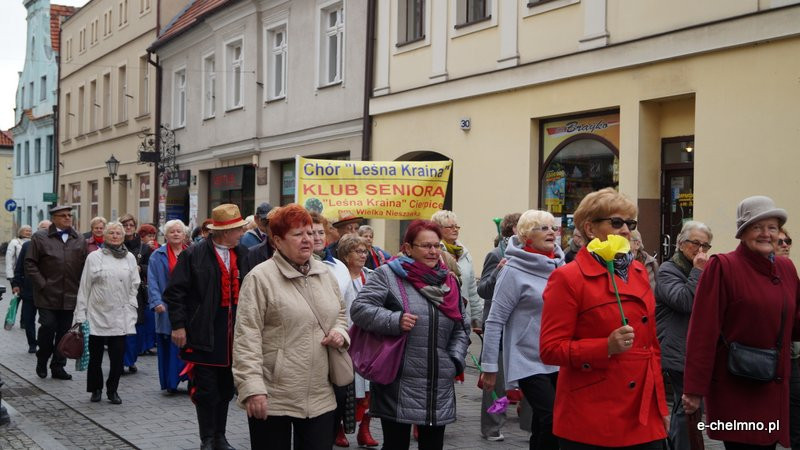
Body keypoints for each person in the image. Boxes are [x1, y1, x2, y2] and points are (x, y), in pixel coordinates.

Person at [539, 188, 668, 449]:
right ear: (590, 228)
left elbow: (651, 348)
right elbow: (550, 349)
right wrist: (604, 347)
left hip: (642, 414)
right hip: (594, 415)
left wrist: (661, 406)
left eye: (630, 223)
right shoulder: (569, 278)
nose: (625, 230)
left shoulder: (639, 271)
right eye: (616, 222)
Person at [683, 196, 800, 449]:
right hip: (737, 388)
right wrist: (693, 389)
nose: (766, 234)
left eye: (772, 227)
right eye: (757, 227)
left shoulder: (787, 269)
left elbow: (795, 324)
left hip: (775, 390)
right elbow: (703, 331)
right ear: (743, 232)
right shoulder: (723, 267)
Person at [233, 204, 350, 450]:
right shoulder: (260, 278)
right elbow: (246, 338)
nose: (308, 239)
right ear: (277, 240)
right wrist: (252, 389)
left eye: (310, 232)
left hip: (320, 393)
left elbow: (339, 314)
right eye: (298, 234)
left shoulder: (325, 274)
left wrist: (339, 333)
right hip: (274, 395)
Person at [350, 220, 471, 450]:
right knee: (395, 445)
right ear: (408, 248)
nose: (433, 251)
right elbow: (360, 309)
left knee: (433, 445)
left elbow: (461, 327)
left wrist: (454, 360)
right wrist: (395, 320)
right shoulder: (388, 275)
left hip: (439, 382)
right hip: (397, 379)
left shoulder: (449, 281)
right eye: (426, 246)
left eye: (437, 246)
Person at [163, 204, 248, 450]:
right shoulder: (194, 254)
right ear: (223, 232)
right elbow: (175, 292)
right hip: (204, 329)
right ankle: (207, 438)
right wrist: (179, 325)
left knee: (225, 389)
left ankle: (220, 436)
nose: (241, 232)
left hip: (233, 333)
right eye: (237, 229)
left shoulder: (242, 253)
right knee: (206, 389)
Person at [481, 210, 563, 450]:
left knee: (542, 420)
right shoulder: (512, 270)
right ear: (527, 236)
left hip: (558, 354)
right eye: (543, 228)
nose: (551, 232)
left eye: (553, 228)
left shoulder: (562, 265)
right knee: (551, 418)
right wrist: (490, 367)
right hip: (527, 358)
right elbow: (495, 320)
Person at [654, 221, 712, 450]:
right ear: (680, 243)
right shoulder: (669, 270)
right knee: (689, 405)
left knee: (685, 405)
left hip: (693, 348)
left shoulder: (700, 270)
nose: (700, 250)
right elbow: (685, 301)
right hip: (675, 349)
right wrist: (698, 271)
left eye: (705, 245)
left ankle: (679, 444)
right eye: (695, 243)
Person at [73, 222, 139, 405]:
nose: (115, 236)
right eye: (111, 233)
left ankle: (113, 390)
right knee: (95, 357)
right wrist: (81, 314)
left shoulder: (130, 258)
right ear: (105, 236)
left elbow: (135, 284)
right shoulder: (94, 257)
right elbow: (84, 287)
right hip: (97, 314)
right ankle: (95, 389)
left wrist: (132, 305)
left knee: (117, 357)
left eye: (118, 233)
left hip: (120, 315)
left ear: (123, 236)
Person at [25, 206, 87, 380]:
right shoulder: (40, 237)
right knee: (48, 326)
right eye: (63, 216)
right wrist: (42, 284)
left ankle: (58, 366)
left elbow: (84, 266)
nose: (68, 218)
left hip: (70, 295)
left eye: (70, 215)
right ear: (54, 218)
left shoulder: (79, 238)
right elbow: (30, 263)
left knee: (64, 333)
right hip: (47, 294)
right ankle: (42, 358)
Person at [476, 211, 520, 442]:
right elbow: (483, 289)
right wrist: (497, 272)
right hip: (499, 326)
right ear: (514, 230)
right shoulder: (496, 255)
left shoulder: (526, 256)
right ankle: (492, 426)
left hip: (520, 328)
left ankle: (529, 422)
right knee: (497, 382)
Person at [335, 233, 379, 447]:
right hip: (347, 339)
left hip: (370, 340)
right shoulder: (339, 278)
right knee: (347, 389)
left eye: (365, 251)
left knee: (369, 389)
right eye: (358, 251)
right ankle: (339, 429)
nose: (363, 255)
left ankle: (364, 430)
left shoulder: (372, 276)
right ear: (345, 255)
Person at [147, 220, 190, 393]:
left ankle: (189, 378)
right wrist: (156, 302)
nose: (176, 234)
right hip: (166, 305)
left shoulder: (192, 252)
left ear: (184, 234)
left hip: (188, 306)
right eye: (172, 231)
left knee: (189, 343)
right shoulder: (158, 255)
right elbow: (153, 281)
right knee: (169, 344)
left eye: (179, 231)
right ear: (166, 235)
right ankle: (171, 382)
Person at [431, 210, 483, 331]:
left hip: (463, 316)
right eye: (450, 227)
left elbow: (471, 288)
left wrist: (477, 318)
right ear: (438, 229)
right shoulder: (433, 252)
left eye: (456, 226)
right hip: (441, 315)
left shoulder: (464, 252)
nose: (455, 229)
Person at [122, 221, 156, 373]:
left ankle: (131, 359)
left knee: (136, 327)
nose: (127, 227)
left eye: (130, 225)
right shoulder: (115, 245)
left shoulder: (145, 248)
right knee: (120, 328)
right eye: (124, 224)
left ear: (135, 227)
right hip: (118, 292)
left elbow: (152, 268)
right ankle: (121, 360)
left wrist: (140, 268)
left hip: (138, 294)